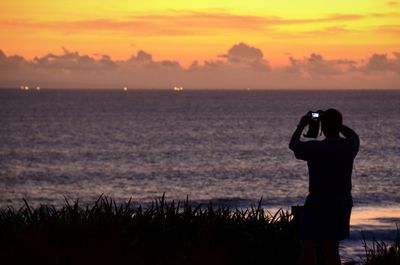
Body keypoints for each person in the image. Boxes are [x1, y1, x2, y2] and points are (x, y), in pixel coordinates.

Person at [289, 109, 359, 265]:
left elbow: (293, 145)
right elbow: (354, 135)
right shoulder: (349, 146)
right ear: (339, 124)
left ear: (323, 127)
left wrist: (302, 125)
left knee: (308, 245)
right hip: (341, 202)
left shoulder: (316, 148)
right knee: (332, 249)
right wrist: (336, 124)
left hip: (318, 201)